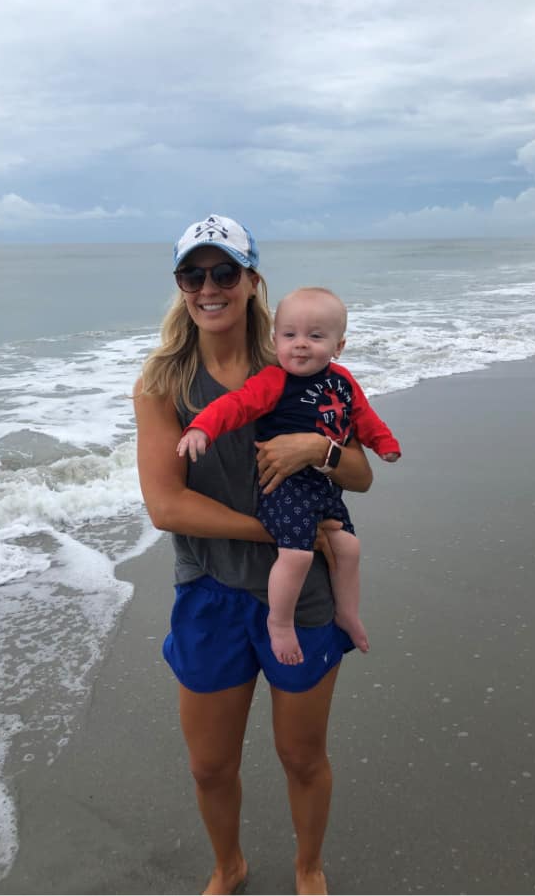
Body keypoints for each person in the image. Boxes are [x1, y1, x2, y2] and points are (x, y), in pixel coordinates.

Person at [134, 213, 374, 896]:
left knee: (302, 756)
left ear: (251, 280)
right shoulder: (163, 384)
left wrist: (315, 449)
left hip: (304, 595)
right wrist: (280, 532)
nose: (209, 288)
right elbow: (167, 505)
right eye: (193, 274)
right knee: (209, 765)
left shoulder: (298, 361)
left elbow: (360, 473)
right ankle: (228, 865)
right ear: (181, 285)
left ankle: (307, 866)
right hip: (211, 590)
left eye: (224, 272)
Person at [176, 286, 401, 666]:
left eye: (315, 337)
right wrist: (200, 429)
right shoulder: (273, 380)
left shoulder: (342, 382)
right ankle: (279, 623)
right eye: (290, 335)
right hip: (284, 485)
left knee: (348, 548)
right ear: (275, 339)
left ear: (338, 345)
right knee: (296, 555)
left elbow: (363, 418)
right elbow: (235, 405)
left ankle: (346, 612)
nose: (300, 345)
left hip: (322, 484)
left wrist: (385, 443)